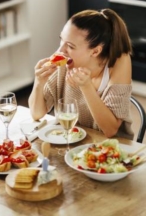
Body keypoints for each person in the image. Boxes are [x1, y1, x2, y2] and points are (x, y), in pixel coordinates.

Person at [28, 8, 134, 139]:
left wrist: (86, 86)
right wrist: (39, 81)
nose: (61, 50)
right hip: (71, 141)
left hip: (110, 148)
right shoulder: (64, 61)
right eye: (61, 40)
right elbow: (36, 114)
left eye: (71, 46)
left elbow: (110, 130)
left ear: (95, 51)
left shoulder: (119, 61)